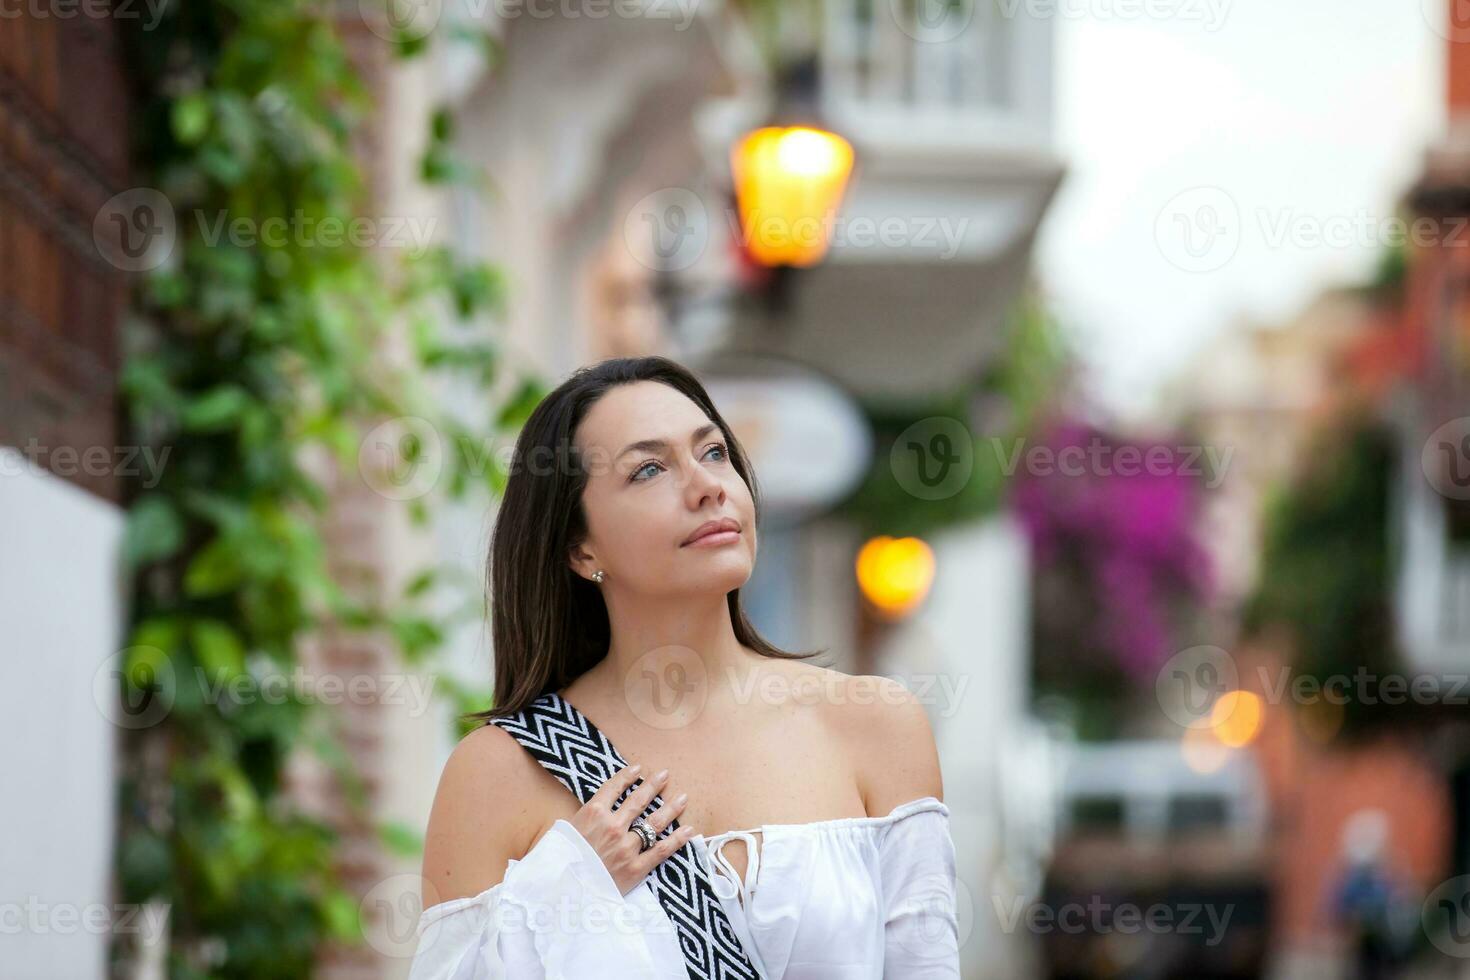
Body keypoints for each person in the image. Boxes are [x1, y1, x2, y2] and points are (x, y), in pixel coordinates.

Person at [406, 356, 961, 979]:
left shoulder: (874, 727)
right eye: (649, 469)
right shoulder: (499, 773)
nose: (707, 485)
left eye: (716, 453)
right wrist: (569, 885)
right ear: (579, 546)